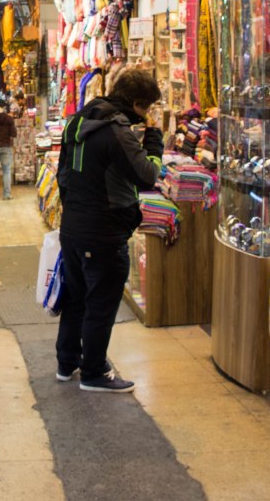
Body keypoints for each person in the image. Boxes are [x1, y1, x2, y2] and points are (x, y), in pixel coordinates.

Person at [55, 69, 163, 393]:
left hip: (73, 227)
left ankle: (67, 362)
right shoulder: (117, 130)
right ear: (137, 103)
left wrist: (74, 212)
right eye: (147, 108)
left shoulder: (78, 121)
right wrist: (154, 139)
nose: (146, 115)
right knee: (101, 303)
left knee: (76, 298)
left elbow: (63, 174)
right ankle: (92, 373)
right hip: (103, 232)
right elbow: (147, 176)